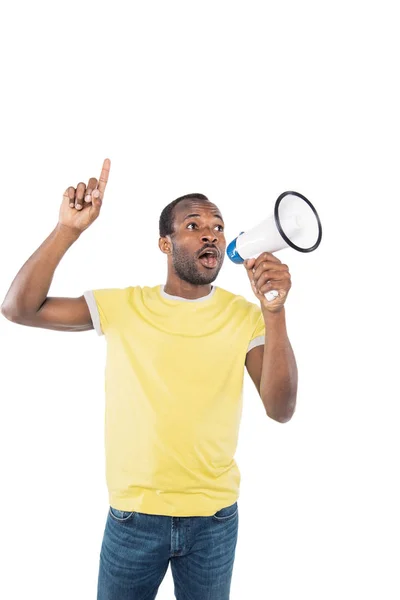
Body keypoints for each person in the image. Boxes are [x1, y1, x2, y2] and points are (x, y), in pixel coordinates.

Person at [1, 158, 298, 600]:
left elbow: (280, 409)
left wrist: (274, 313)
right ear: (166, 243)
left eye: (217, 225)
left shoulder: (245, 317)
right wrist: (68, 230)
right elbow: (19, 309)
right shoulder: (124, 305)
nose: (210, 233)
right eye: (194, 224)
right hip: (133, 519)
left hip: (214, 520)